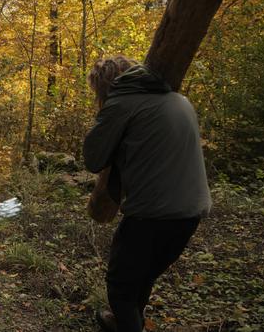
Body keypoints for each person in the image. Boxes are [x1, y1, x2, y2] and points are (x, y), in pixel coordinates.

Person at [83, 56, 212, 332]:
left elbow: (93, 158)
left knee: (119, 285)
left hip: (152, 214)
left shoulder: (120, 104)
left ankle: (127, 323)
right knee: (143, 277)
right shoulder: (180, 100)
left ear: (105, 85)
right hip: (192, 213)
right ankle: (125, 322)